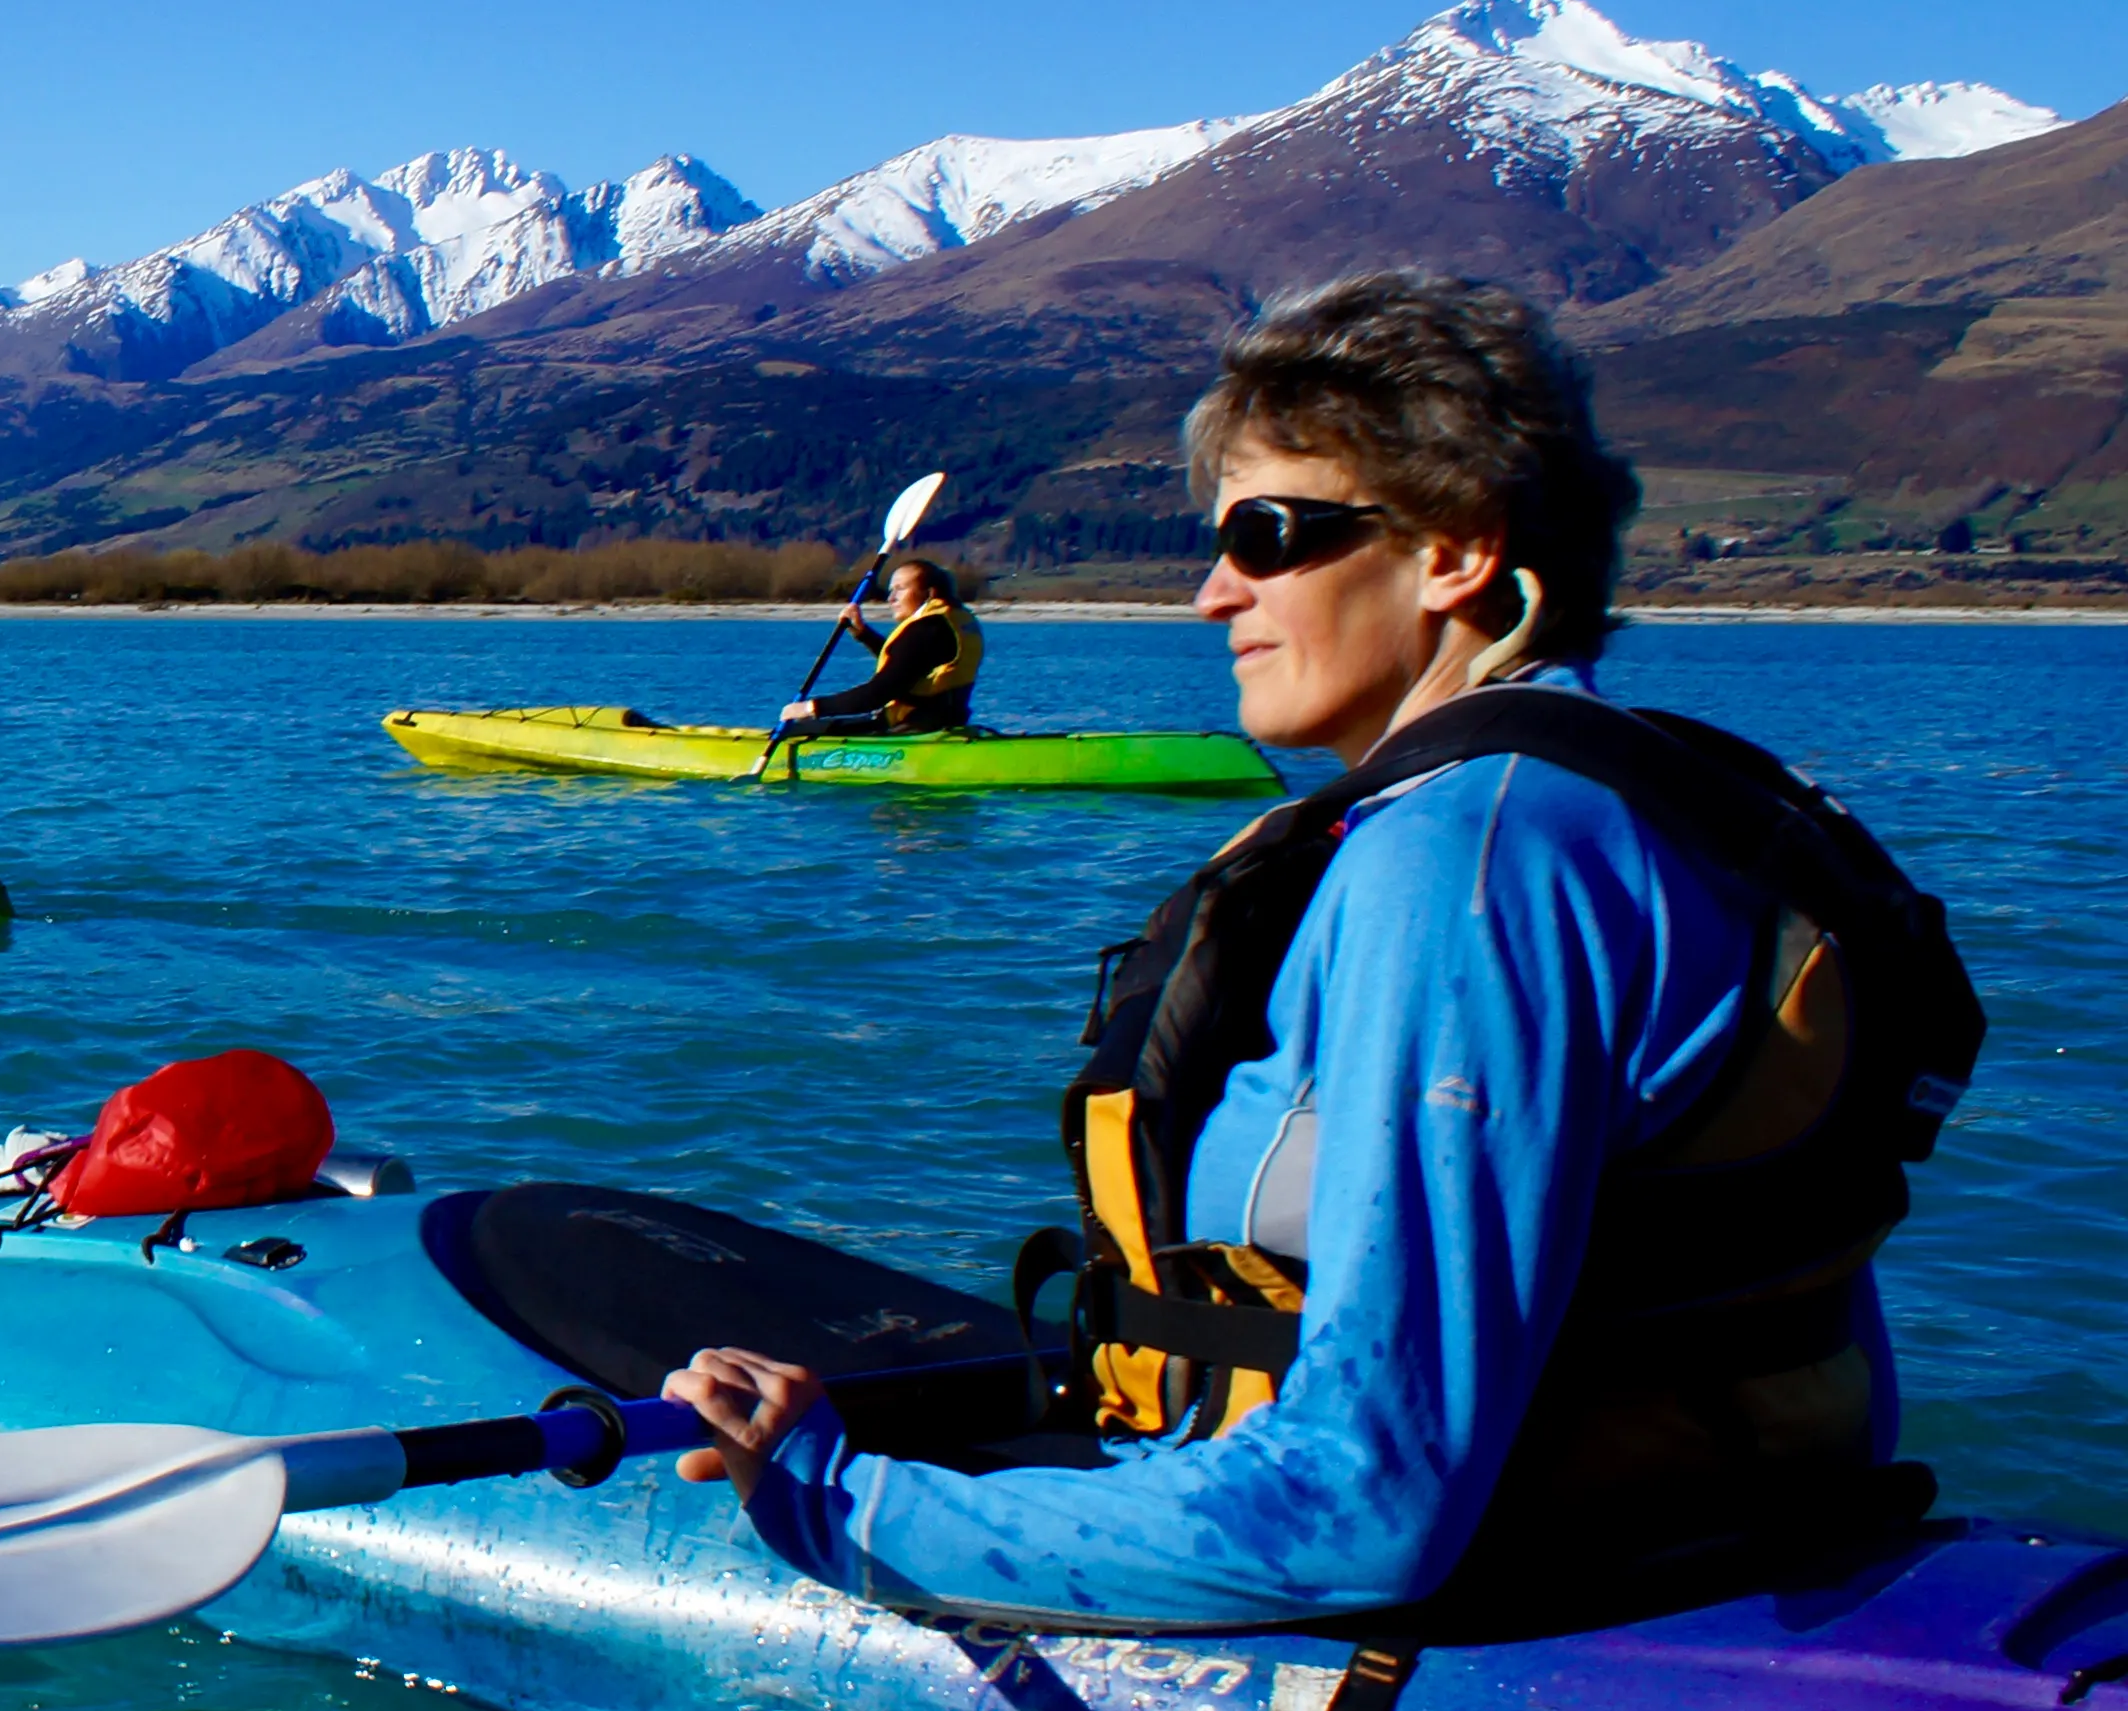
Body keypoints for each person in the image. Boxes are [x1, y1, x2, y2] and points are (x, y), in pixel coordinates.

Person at [658, 271, 1975, 1634]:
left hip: (1544, 1590)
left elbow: (1363, 1501)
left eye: (1269, 534)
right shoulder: (1646, 804)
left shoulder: (1468, 859)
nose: (1212, 592)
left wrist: (848, 1504)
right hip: (1739, 1528)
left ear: (1457, 550)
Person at [775, 553, 981, 736]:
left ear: (930, 593)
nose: (891, 598)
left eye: (900, 589)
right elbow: (911, 664)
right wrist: (864, 634)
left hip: (911, 728)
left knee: (795, 732)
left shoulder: (927, 629)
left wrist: (811, 708)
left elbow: (877, 694)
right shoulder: (951, 621)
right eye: (891, 590)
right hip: (947, 722)